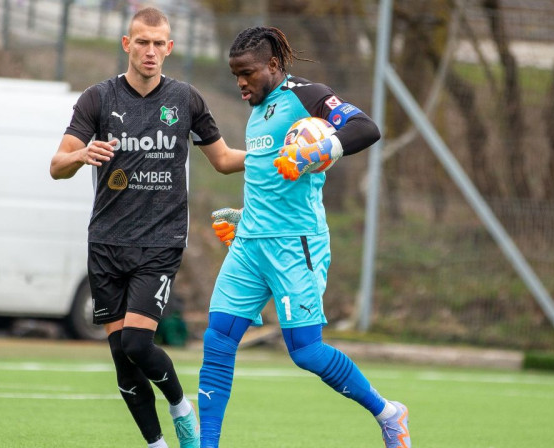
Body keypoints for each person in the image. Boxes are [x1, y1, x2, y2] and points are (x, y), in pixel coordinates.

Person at [198, 27, 412, 448]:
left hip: (296, 245)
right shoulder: (257, 108)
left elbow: (365, 128)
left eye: (247, 72)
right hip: (250, 247)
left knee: (306, 353)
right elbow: (268, 174)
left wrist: (326, 148)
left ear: (274, 65)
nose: (240, 82)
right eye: (234, 74)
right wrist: (244, 218)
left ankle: (389, 413)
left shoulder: (307, 94)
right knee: (217, 341)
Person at [49, 7, 245, 448]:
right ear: (127, 44)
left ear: (170, 48)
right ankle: (157, 444)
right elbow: (56, 164)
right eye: (143, 42)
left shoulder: (186, 100)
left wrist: (275, 154)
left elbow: (224, 160)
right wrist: (81, 156)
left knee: (138, 344)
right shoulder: (98, 99)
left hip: (160, 242)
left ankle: (180, 405)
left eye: (159, 44)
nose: (151, 51)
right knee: (122, 360)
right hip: (106, 243)